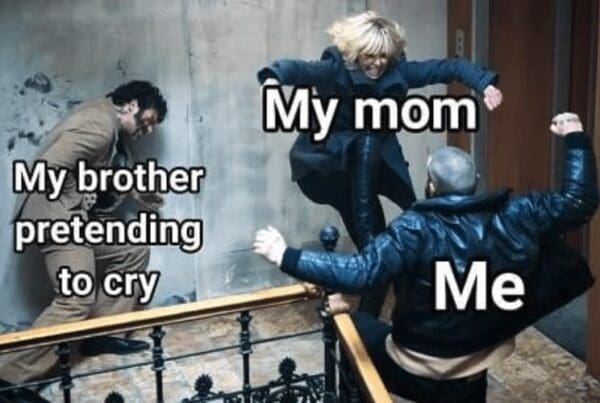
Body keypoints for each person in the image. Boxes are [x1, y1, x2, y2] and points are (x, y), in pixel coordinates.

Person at [254, 112, 598, 402]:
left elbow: (361, 272)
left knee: (351, 327)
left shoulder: (415, 228)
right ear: (477, 181)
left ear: (430, 186)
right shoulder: (515, 214)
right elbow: (578, 202)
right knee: (469, 348)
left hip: (417, 370)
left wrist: (285, 254)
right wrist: (575, 136)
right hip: (476, 361)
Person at [257, 10, 503, 315]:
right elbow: (302, 70)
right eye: (369, 56)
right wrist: (273, 78)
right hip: (333, 165)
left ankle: (380, 313)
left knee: (380, 243)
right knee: (374, 236)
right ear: (355, 53)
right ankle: (369, 316)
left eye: (384, 56)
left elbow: (448, 67)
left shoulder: (399, 72)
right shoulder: (336, 68)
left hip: (372, 166)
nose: (377, 63)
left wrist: (484, 84)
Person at [1, 81, 167, 403]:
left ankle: (101, 334)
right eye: (148, 121)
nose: (148, 130)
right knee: (76, 297)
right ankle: (9, 377)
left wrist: (135, 192)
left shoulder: (108, 124)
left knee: (132, 249)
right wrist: (80, 202)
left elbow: (97, 171)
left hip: (70, 213)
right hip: (54, 213)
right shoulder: (100, 126)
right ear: (132, 105)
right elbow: (48, 171)